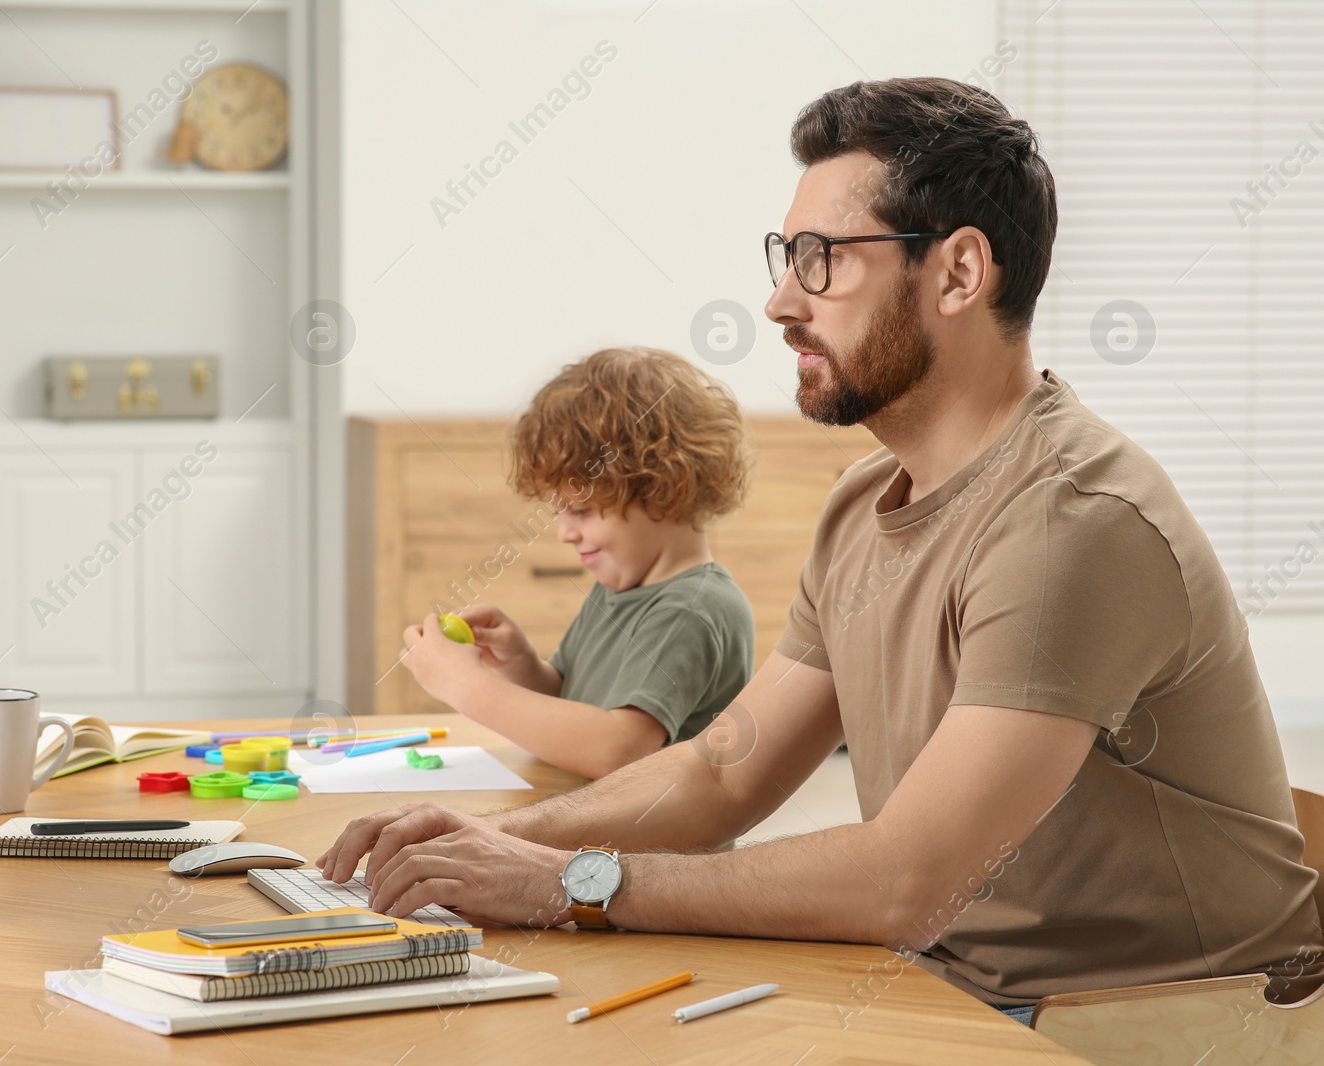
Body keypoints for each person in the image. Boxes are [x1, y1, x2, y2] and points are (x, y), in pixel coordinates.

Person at [321, 76, 1324, 1016]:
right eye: (784, 255)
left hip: (1150, 1024)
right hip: (956, 979)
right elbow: (721, 773)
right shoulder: (860, 504)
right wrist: (486, 843)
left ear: (959, 271)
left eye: (823, 259)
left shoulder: (1072, 520)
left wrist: (568, 880)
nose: (780, 301)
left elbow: (905, 880)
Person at [399, 347, 756, 779]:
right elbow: (572, 711)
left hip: (644, 848)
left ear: (670, 491)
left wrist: (465, 686)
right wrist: (520, 663)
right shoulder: (620, 588)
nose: (565, 532)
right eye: (559, 512)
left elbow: (616, 749)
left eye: (580, 511)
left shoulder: (690, 611)